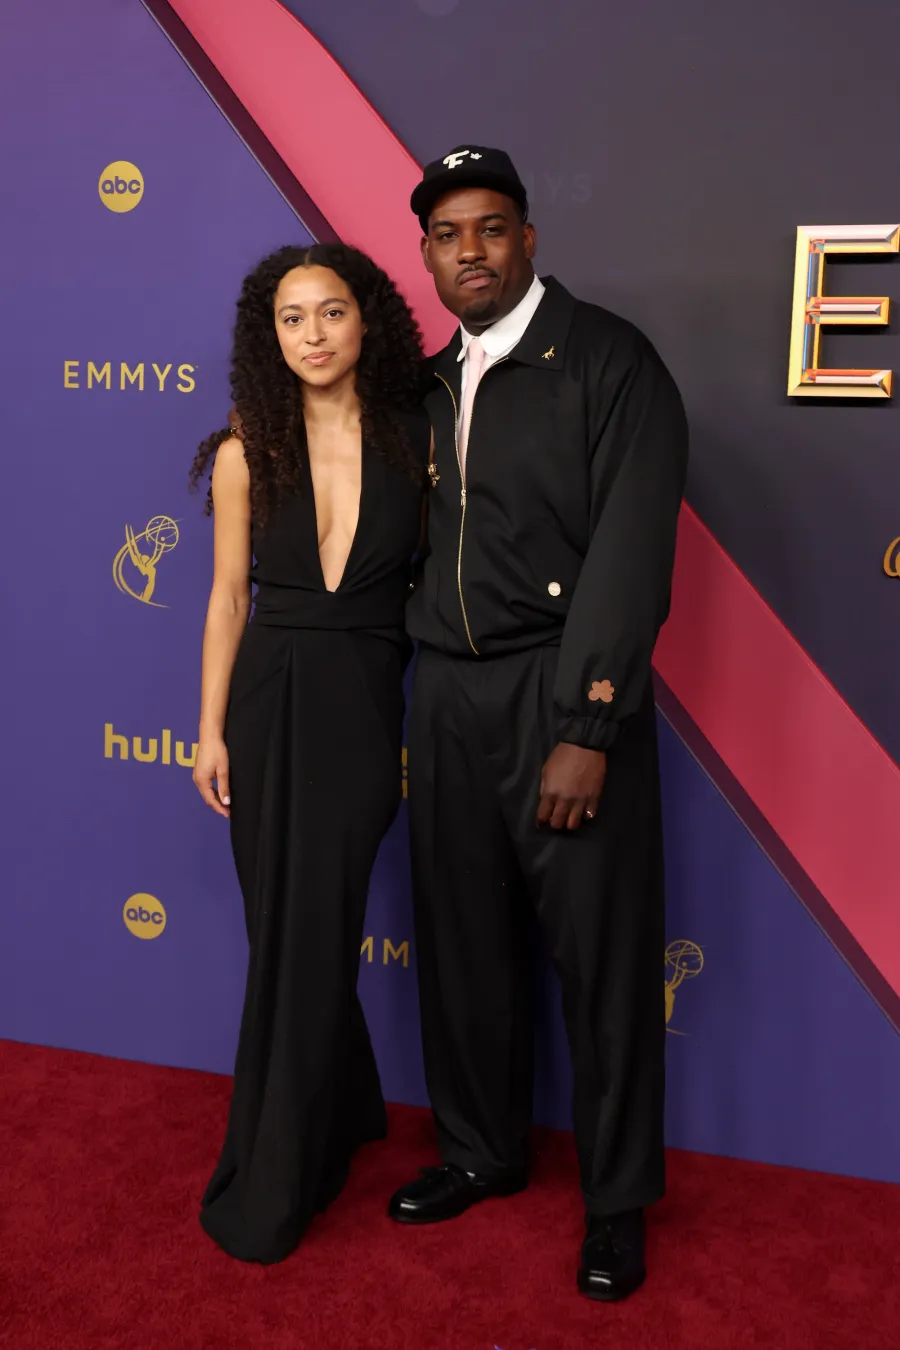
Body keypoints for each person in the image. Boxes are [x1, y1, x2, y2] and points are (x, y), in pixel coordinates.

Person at [389, 147, 689, 1302]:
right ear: (426, 253)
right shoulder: (423, 383)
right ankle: (478, 1148)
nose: (471, 251)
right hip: (447, 695)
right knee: (461, 940)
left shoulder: (608, 361)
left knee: (604, 960)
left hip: (559, 692)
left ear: (528, 240)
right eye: (448, 234)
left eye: (492, 228)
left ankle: (617, 1205)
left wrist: (589, 722)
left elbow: (630, 555)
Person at [189, 242, 427, 1264]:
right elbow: (227, 597)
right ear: (268, 336)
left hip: (365, 706)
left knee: (315, 922)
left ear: (367, 321)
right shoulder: (248, 453)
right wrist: (208, 729)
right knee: (283, 927)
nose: (315, 335)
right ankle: (337, 1118)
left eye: (332, 312)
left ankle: (278, 1171)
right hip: (266, 700)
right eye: (293, 318)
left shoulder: (420, 445)